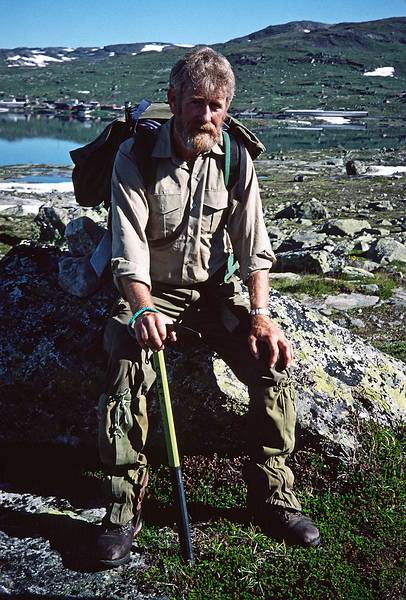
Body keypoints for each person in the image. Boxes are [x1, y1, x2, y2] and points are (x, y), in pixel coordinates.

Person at [96, 47, 320, 567]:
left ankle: (273, 499)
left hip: (211, 294)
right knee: (128, 359)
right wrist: (142, 310)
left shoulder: (235, 158)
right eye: (197, 102)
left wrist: (262, 316)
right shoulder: (135, 156)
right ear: (174, 100)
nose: (207, 116)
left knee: (271, 363)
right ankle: (122, 508)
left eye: (217, 105)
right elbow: (127, 249)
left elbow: (254, 248)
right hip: (153, 291)